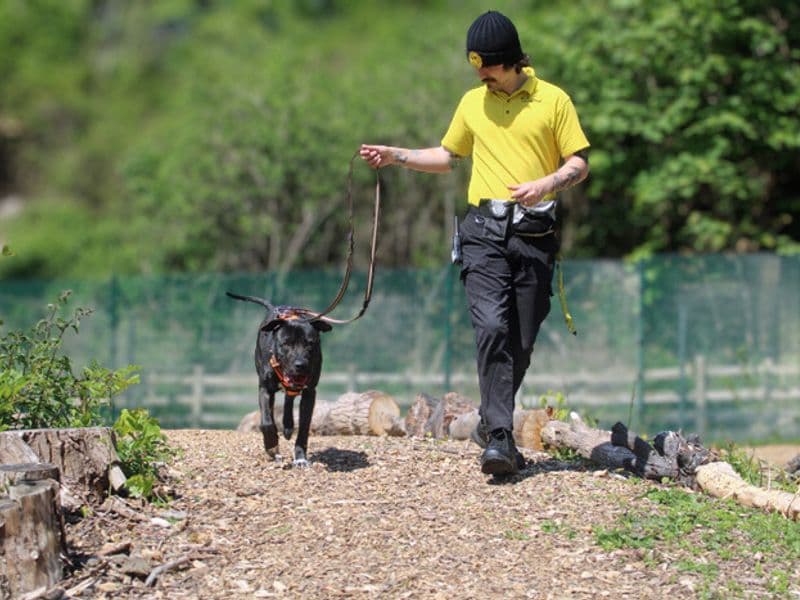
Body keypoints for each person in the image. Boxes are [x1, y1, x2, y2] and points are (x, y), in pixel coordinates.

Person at [360, 10, 590, 476]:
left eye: (487, 66)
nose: (481, 74)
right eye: (476, 66)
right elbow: (447, 156)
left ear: (510, 61)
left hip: (534, 233)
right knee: (490, 327)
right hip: (483, 231)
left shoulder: (553, 100)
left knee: (521, 340)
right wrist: (397, 156)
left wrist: (546, 184)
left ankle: (490, 421)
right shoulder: (471, 103)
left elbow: (578, 163)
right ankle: (501, 440)